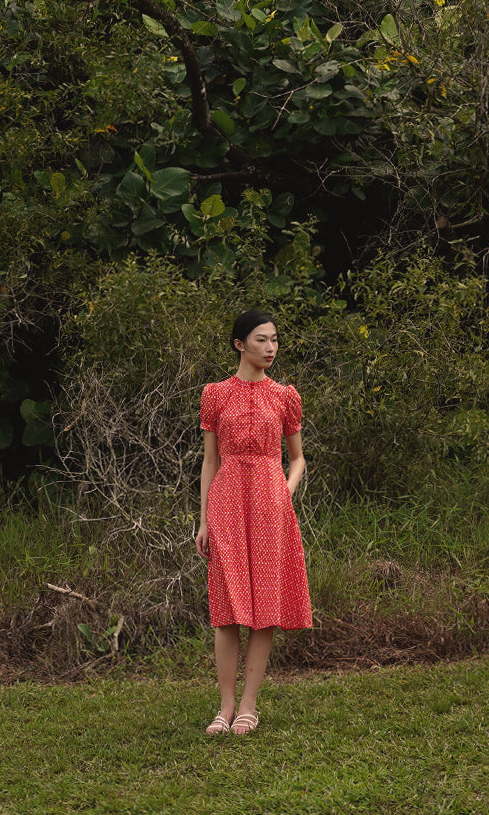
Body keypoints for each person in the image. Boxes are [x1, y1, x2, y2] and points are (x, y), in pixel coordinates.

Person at [195, 309, 311, 736]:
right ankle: (224, 708)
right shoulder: (215, 394)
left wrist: (284, 490)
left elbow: (297, 458)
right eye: (261, 340)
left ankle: (249, 706)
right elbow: (210, 461)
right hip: (225, 504)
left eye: (275, 340)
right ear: (239, 344)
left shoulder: (285, 396)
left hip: (270, 506)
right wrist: (204, 519)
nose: (271, 348)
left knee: (265, 611)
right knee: (226, 610)